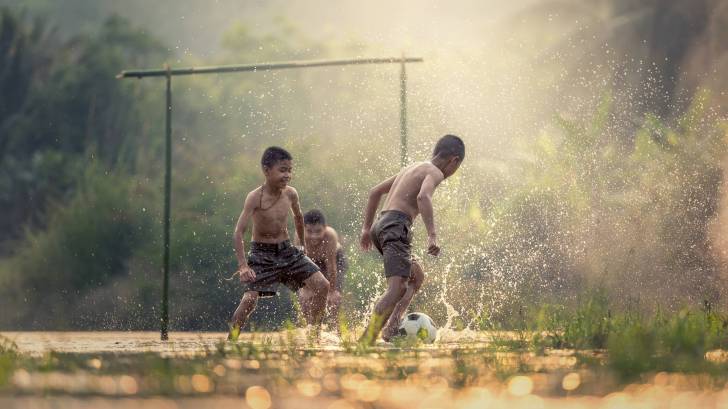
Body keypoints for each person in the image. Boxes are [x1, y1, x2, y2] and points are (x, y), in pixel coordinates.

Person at [359, 134, 465, 345]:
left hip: (382, 224)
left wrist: (366, 228)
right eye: (457, 167)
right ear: (454, 160)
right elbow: (423, 197)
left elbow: (375, 192)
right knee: (396, 288)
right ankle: (364, 342)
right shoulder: (435, 172)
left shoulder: (413, 167)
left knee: (416, 277)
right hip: (396, 225)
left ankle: (390, 330)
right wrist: (432, 235)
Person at [228, 146, 330, 340]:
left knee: (323, 285)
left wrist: (302, 248)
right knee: (249, 299)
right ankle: (230, 342)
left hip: (287, 251)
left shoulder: (291, 194)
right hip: (261, 254)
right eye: (282, 170)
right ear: (266, 171)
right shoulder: (254, 198)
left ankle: (314, 335)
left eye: (290, 170)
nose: (287, 175)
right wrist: (243, 266)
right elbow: (238, 232)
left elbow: (299, 218)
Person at [302, 209, 348, 328]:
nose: (314, 236)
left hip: (335, 259)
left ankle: (335, 327)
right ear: (303, 229)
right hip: (310, 261)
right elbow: (302, 266)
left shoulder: (330, 235)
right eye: (309, 231)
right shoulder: (300, 236)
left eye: (318, 231)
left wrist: (332, 291)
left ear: (325, 228)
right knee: (306, 297)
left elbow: (331, 267)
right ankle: (311, 328)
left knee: (333, 298)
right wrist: (307, 289)